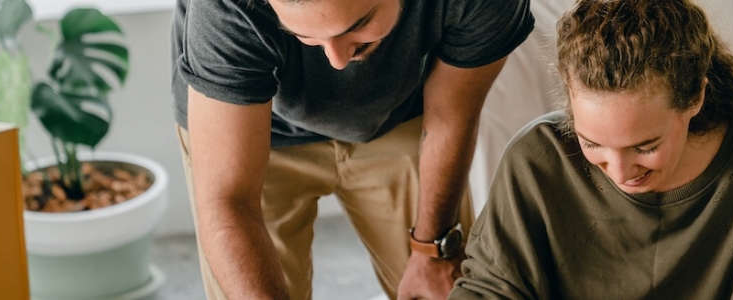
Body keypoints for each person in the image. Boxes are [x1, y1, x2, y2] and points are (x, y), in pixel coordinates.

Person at [449, 0, 733, 299]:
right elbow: (489, 289)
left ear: (695, 97)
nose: (619, 171)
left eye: (645, 146)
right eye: (592, 144)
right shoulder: (535, 162)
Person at [169, 0, 534, 298]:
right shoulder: (222, 9)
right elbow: (228, 199)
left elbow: (451, 118)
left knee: (443, 286)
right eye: (304, 36)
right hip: (251, 129)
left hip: (401, 114)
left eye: (357, 25)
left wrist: (432, 251)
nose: (337, 60)